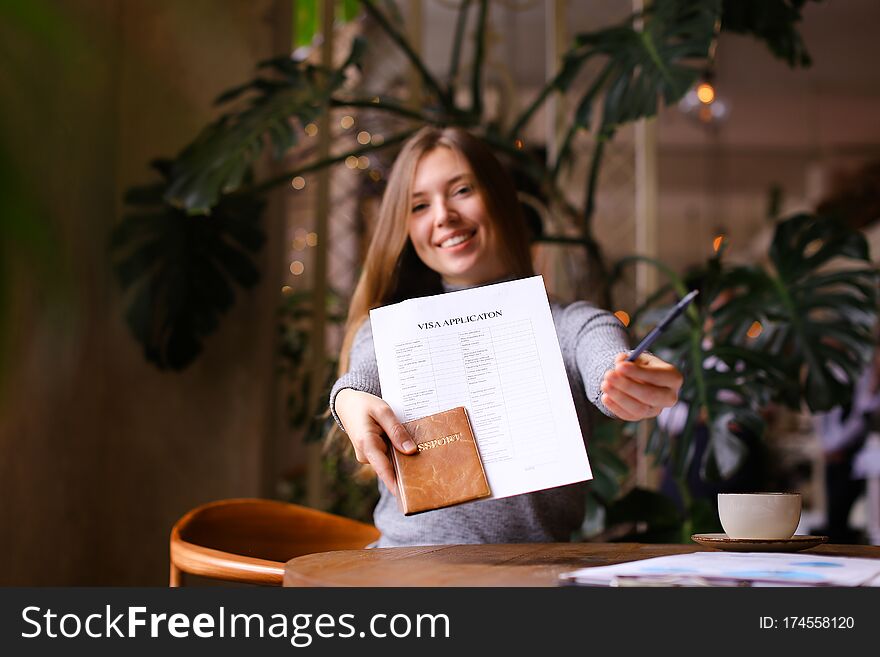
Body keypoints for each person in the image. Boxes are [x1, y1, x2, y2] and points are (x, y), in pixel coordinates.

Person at [329, 126, 683, 547]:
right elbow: (361, 378)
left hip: (529, 580)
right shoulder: (390, 329)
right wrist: (347, 401)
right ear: (405, 229)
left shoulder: (571, 325)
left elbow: (604, 354)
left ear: (499, 197)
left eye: (461, 191)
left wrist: (625, 379)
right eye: (419, 205)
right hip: (403, 571)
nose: (443, 215)